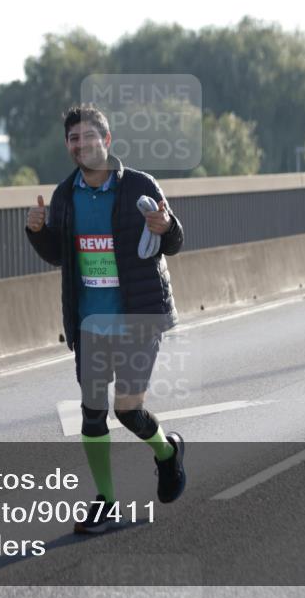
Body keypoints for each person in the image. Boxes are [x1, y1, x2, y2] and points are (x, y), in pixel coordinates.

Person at [26, 104, 187, 534]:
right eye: (73, 139)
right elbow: (58, 257)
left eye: (88, 137)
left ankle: (168, 453)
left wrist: (165, 224)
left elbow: (172, 240)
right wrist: (38, 231)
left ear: (107, 140)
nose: (81, 145)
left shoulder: (138, 184)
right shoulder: (64, 195)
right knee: (93, 414)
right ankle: (107, 500)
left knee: (128, 410)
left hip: (139, 317)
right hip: (90, 321)